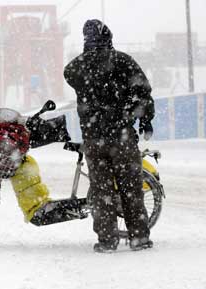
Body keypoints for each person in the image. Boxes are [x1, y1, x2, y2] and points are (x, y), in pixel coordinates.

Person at [64, 19, 155, 253]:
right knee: (131, 188)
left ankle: (107, 240)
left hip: (94, 139)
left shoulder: (78, 67)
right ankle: (139, 238)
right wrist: (144, 119)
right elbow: (142, 92)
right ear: (109, 37)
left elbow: (68, 73)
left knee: (101, 191)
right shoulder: (123, 61)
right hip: (122, 137)